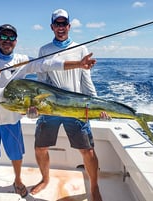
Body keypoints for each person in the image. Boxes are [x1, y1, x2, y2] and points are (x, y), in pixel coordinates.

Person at [0, 24, 96, 198]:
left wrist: (79, 64)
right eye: (4, 37)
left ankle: (18, 181)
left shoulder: (22, 60)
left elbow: (48, 64)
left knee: (16, 154)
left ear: (16, 41)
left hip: (12, 118)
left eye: (11, 37)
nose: (7, 41)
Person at [31, 9, 103, 201]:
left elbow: (86, 80)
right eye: (57, 24)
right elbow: (42, 81)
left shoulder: (81, 49)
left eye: (64, 24)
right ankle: (45, 179)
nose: (61, 27)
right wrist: (37, 106)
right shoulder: (44, 50)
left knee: (87, 150)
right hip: (50, 108)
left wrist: (96, 105)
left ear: (69, 26)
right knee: (40, 148)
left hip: (76, 107)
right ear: (52, 27)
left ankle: (94, 187)